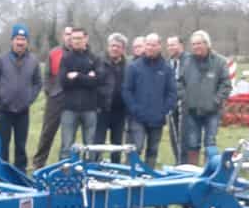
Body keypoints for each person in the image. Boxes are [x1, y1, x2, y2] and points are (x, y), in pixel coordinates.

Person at [0, 24, 41, 170]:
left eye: (23, 39)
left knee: (20, 145)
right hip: (5, 110)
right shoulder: (2, 59)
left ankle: (20, 175)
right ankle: (2, 174)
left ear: (27, 42)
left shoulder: (33, 61)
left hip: (23, 111)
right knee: (3, 144)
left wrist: (29, 99)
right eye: (17, 39)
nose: (20, 42)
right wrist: (0, 96)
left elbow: (38, 82)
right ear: (12, 40)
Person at [123, 33, 177, 168]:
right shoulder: (134, 67)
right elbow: (126, 91)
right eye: (148, 44)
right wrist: (134, 109)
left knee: (153, 150)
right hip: (137, 117)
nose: (151, 48)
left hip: (157, 118)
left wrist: (164, 110)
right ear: (144, 46)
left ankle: (148, 177)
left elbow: (172, 92)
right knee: (136, 148)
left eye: (154, 45)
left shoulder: (166, 69)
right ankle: (129, 176)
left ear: (159, 46)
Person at [178, 30, 230, 165]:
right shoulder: (186, 61)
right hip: (191, 111)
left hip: (212, 111)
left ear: (207, 44)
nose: (196, 47)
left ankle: (209, 171)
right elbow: (179, 83)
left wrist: (216, 101)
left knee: (210, 143)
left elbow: (225, 85)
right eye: (194, 44)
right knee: (192, 143)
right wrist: (185, 98)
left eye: (199, 43)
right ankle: (193, 171)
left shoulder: (219, 62)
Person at [58, 27, 102, 160]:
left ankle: (90, 174)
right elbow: (63, 82)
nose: (76, 41)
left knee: (90, 147)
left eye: (79, 38)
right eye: (73, 39)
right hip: (69, 108)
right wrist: (87, 77)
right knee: (66, 146)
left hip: (90, 108)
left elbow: (97, 81)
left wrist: (77, 75)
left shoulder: (94, 59)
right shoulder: (65, 59)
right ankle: (65, 176)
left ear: (86, 39)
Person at [32, 26, 72, 169]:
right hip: (55, 97)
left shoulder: (79, 54)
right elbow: (47, 75)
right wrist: (50, 91)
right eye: (67, 34)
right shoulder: (54, 53)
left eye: (72, 34)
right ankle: (39, 162)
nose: (69, 37)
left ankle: (66, 164)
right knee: (48, 132)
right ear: (63, 36)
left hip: (72, 99)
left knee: (69, 135)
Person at [94, 32, 129, 163]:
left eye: (118, 46)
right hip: (101, 109)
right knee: (98, 143)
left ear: (123, 49)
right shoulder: (98, 62)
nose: (114, 48)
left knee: (117, 145)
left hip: (120, 112)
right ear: (108, 47)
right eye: (112, 45)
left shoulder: (128, 66)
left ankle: (116, 169)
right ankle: (95, 168)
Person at [165, 35, 185, 162]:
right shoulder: (168, 63)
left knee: (184, 136)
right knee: (174, 136)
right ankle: (177, 161)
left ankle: (185, 162)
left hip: (185, 103)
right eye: (169, 45)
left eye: (173, 44)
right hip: (171, 104)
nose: (171, 48)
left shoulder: (188, 61)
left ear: (181, 46)